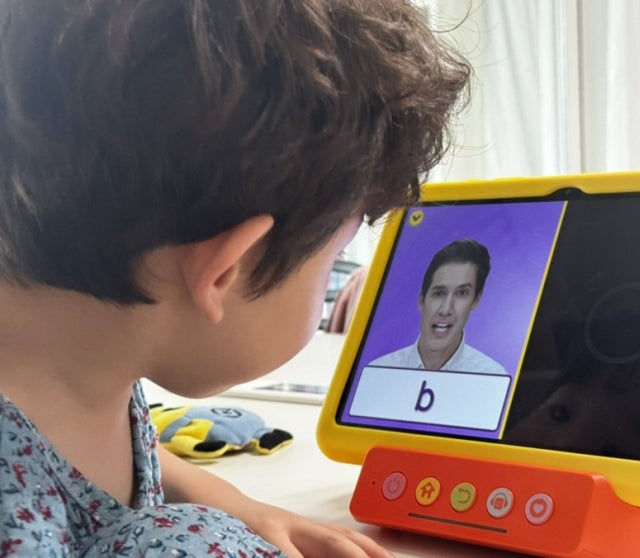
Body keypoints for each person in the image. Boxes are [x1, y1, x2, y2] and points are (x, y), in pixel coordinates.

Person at [0, 1, 470, 556]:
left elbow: (115, 452)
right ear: (226, 271)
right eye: (333, 260)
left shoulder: (82, 357)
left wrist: (236, 504)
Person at [370, 239, 505, 373]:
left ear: (476, 300)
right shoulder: (379, 370)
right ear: (421, 301)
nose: (446, 310)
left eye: (462, 293)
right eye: (439, 293)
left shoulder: (491, 375)